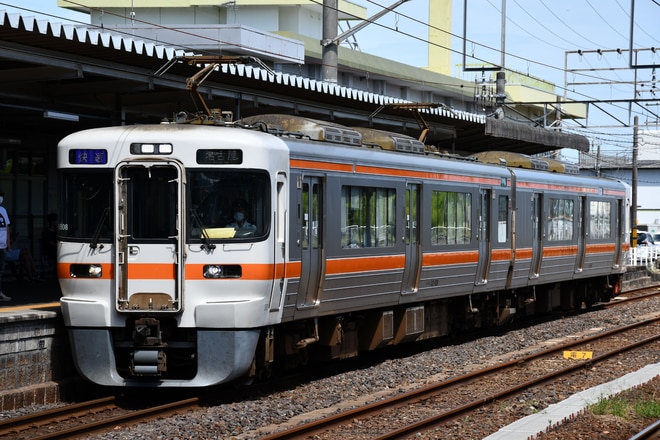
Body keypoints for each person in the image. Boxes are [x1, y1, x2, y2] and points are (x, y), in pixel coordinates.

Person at [0, 192, 11, 301]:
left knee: (1, 271)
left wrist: (8, 243)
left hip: (2, 245)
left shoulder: (3, 210)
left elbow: (7, 226)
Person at [42, 213, 57, 277]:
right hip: (50, 251)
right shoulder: (46, 231)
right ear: (52, 222)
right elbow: (49, 242)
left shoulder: (57, 230)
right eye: (56, 220)